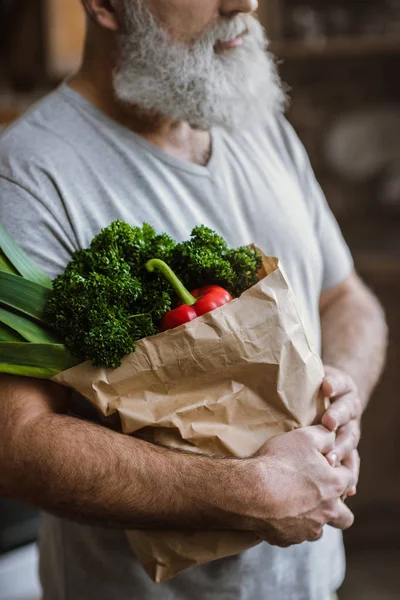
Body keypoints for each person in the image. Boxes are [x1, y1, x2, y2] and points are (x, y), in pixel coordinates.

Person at [0, 1, 387, 599]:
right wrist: (251, 493)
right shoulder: (28, 177)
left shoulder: (252, 122)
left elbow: (344, 298)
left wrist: (343, 401)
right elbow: (16, 441)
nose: (246, 4)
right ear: (104, 5)